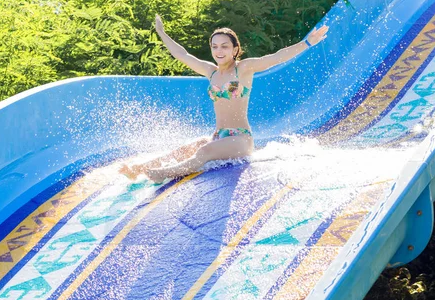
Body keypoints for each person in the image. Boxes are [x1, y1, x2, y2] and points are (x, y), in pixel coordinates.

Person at [119, 14, 328, 183]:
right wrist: (162, 33)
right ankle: (139, 169)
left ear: (235, 49)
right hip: (219, 136)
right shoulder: (211, 72)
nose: (219, 51)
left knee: (205, 150)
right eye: (215, 46)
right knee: (189, 147)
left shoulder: (244, 69)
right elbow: (183, 55)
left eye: (225, 46)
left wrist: (307, 43)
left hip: (241, 139)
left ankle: (165, 173)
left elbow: (275, 58)